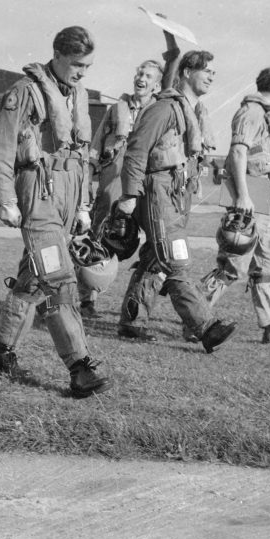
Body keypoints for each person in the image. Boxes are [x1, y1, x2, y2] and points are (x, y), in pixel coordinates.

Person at [0, 26, 110, 398]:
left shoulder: (76, 95)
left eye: (87, 66)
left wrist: (84, 205)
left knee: (33, 280)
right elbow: (0, 149)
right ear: (57, 55)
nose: (82, 72)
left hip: (68, 201)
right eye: (77, 64)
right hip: (37, 195)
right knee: (57, 279)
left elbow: (82, 156)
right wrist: (6, 200)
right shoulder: (25, 92)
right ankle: (80, 367)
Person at [113, 49, 237, 352]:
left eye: (213, 73)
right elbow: (136, 150)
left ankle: (132, 322)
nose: (210, 77)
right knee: (176, 258)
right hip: (157, 191)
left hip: (177, 193)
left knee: (155, 259)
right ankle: (204, 327)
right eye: (205, 70)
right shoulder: (164, 109)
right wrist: (129, 196)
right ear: (185, 72)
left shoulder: (193, 112)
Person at [200, 65, 270, 344]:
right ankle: (194, 315)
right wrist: (243, 196)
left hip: (265, 191)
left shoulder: (266, 115)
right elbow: (239, 152)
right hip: (252, 193)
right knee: (233, 264)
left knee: (264, 264)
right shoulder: (252, 113)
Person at [78, 57, 164, 319]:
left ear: (157, 84)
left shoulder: (159, 111)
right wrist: (89, 176)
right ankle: (86, 299)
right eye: (139, 73)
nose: (141, 78)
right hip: (113, 179)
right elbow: (96, 144)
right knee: (100, 236)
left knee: (154, 240)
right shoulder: (117, 109)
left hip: (144, 180)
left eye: (148, 76)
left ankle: (136, 308)